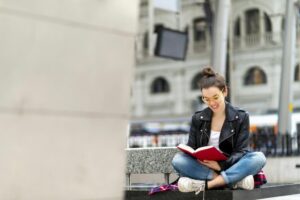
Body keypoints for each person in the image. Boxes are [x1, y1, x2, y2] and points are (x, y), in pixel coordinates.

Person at [171, 67, 266, 195]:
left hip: (231, 165)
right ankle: (233, 182)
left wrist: (220, 165)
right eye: (206, 99)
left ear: (224, 91)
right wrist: (194, 155)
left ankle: (209, 184)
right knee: (178, 160)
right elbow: (192, 148)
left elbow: (241, 151)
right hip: (205, 168)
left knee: (258, 158)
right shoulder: (198, 118)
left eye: (215, 97)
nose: (211, 103)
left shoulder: (241, 117)